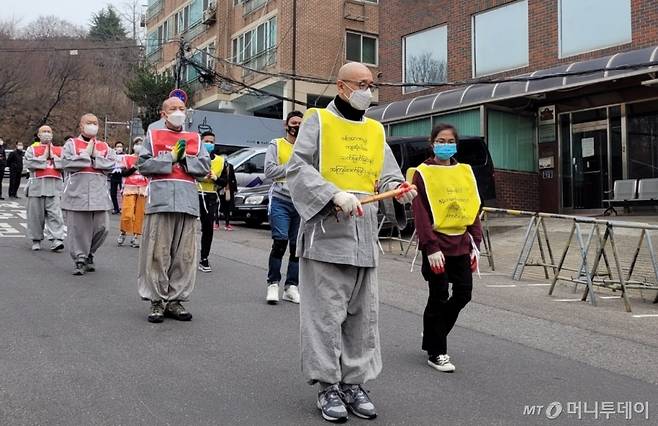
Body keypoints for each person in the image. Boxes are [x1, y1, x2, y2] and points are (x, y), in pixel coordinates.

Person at [287, 62, 417, 423]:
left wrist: (398, 189)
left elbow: (388, 173)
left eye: (372, 84)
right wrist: (333, 195)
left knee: (363, 317)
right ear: (342, 87)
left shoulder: (376, 131)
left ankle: (354, 383)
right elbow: (297, 169)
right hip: (327, 232)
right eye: (362, 84)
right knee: (325, 316)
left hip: (363, 236)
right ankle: (327, 385)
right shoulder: (318, 121)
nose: (368, 91)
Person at [411, 123, 482, 373]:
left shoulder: (465, 171)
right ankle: (437, 351)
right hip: (436, 245)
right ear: (432, 143)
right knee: (439, 295)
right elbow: (420, 213)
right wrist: (430, 247)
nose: (445, 145)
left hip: (461, 243)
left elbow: (472, 207)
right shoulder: (422, 173)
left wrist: (476, 242)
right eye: (440, 140)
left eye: (449, 140)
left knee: (464, 293)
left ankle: (434, 330)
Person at [137, 97, 210, 323]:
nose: (178, 112)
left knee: (184, 256)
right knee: (157, 253)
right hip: (161, 201)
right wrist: (170, 158)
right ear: (163, 113)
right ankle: (157, 301)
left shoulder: (195, 139)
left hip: (187, 203)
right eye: (172, 109)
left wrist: (186, 160)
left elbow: (205, 167)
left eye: (181, 108)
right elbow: (143, 165)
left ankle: (176, 300)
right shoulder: (153, 136)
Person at [61, 114, 117, 275]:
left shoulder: (104, 146)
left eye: (95, 123)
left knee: (103, 228)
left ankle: (89, 252)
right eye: (89, 123)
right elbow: (67, 163)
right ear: (81, 126)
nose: (92, 125)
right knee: (78, 229)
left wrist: (95, 158)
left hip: (99, 194)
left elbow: (112, 164)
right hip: (78, 193)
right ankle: (80, 258)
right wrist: (85, 155)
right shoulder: (71, 143)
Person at [264, 110, 303, 305]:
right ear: (286, 125)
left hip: (301, 202)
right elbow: (269, 170)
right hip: (280, 199)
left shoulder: (308, 147)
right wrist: (292, 167)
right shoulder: (276, 144)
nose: (297, 126)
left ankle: (291, 287)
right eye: (294, 122)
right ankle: (273, 284)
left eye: (300, 123)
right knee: (280, 242)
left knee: (297, 247)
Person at [24, 125, 66, 252]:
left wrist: (53, 158)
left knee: (55, 214)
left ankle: (56, 239)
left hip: (54, 186)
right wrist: (43, 158)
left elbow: (66, 164)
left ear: (52, 135)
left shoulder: (59, 149)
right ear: (38, 135)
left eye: (49, 132)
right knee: (35, 215)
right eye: (44, 132)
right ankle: (36, 239)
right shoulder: (32, 149)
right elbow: (28, 164)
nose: (47, 134)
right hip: (37, 186)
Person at [197, 131, 225, 273]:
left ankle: (204, 258)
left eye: (211, 142)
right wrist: (199, 176)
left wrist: (215, 178)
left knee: (207, 228)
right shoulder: (194, 157)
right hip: (195, 193)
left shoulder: (220, 161)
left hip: (211, 196)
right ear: (201, 142)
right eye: (206, 141)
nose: (209, 144)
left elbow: (224, 181)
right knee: (188, 227)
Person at [117, 138, 148, 248]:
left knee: (140, 213)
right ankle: (123, 231)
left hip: (143, 188)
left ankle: (136, 236)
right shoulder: (127, 158)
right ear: (134, 145)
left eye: (141, 144)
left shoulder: (147, 159)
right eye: (137, 144)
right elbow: (123, 173)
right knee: (127, 211)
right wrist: (134, 168)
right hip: (130, 187)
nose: (139, 146)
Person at [218, 155, 237, 231]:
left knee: (228, 206)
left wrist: (235, 188)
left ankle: (227, 223)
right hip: (220, 188)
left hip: (228, 189)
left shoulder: (230, 166)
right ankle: (216, 222)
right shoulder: (219, 166)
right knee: (219, 205)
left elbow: (233, 177)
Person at [109, 141, 124, 214]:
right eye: (118, 146)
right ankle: (116, 208)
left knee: (123, 192)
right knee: (113, 193)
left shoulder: (125, 156)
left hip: (122, 175)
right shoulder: (112, 155)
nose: (119, 148)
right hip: (114, 175)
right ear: (115, 147)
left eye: (120, 146)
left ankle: (122, 208)